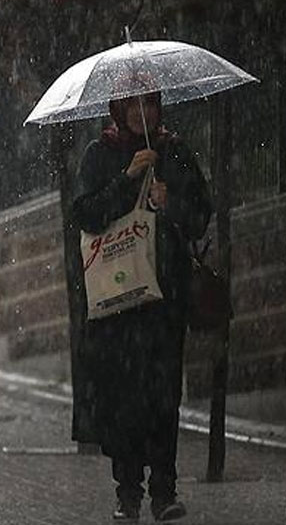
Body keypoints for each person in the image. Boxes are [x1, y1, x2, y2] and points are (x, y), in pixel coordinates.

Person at [72, 91, 212, 523]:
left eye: (148, 103)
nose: (140, 112)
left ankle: (164, 491)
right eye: (131, 105)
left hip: (164, 300)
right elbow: (86, 214)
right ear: (118, 110)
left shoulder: (174, 152)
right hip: (118, 303)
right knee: (124, 398)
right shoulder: (100, 153)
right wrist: (127, 179)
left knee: (164, 396)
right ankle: (128, 491)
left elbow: (200, 217)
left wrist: (172, 204)